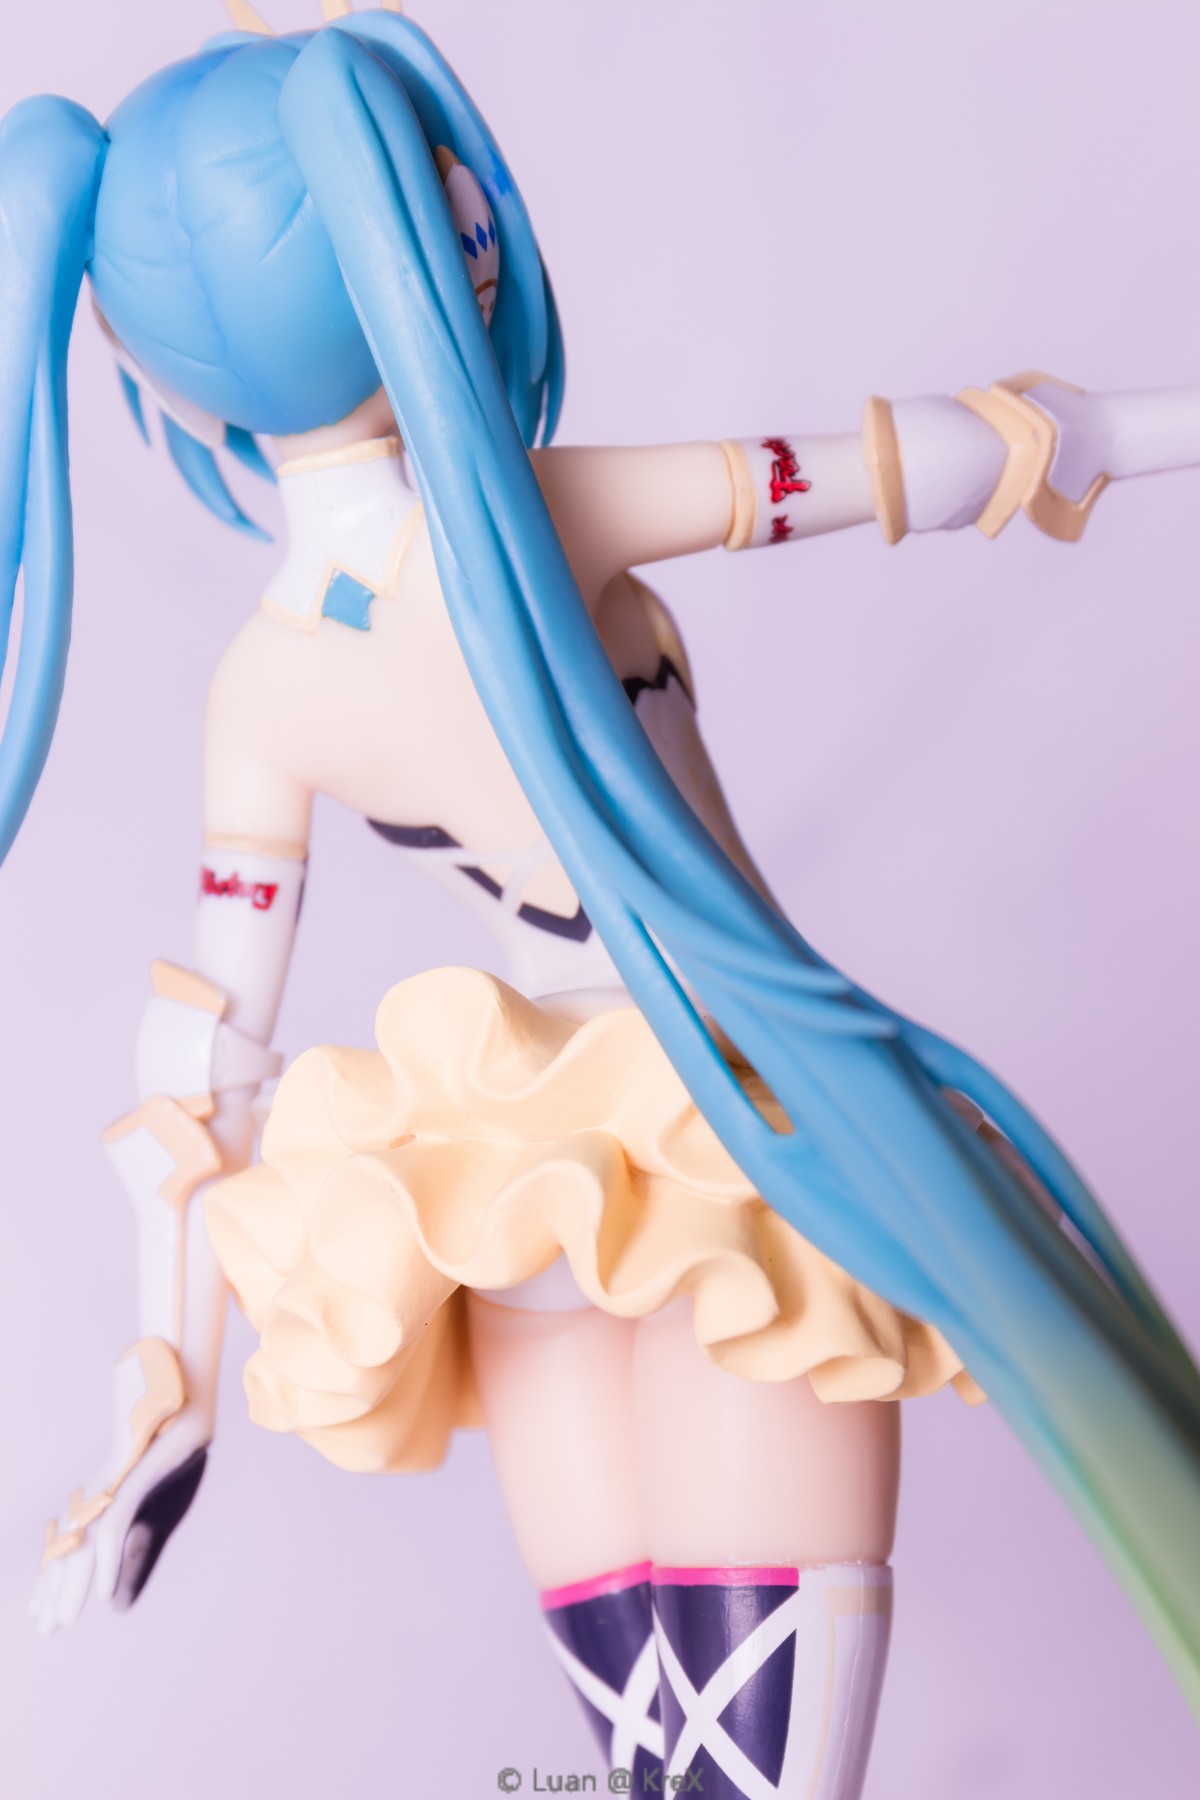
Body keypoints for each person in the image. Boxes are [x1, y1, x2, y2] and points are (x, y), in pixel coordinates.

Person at [2, 9, 1198, 1796]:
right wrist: (1118, 432)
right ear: (434, 234)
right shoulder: (549, 514)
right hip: (719, 1135)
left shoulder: (270, 680)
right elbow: (900, 469)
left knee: (661, 1769)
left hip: (508, 1198)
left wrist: (165, 1376)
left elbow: (207, 1053)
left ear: (144, 357)